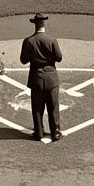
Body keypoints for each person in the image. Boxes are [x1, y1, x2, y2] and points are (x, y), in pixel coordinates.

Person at [19, 13, 63, 141]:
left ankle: (38, 132)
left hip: (36, 79)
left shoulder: (28, 41)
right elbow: (59, 58)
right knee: (53, 106)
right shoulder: (52, 40)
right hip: (51, 78)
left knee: (37, 107)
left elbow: (23, 60)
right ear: (44, 24)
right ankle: (55, 132)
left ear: (35, 24)